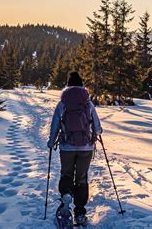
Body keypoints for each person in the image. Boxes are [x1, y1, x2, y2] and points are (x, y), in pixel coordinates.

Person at [46, 71, 103, 225]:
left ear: (68, 85)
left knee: (66, 174)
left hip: (67, 147)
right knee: (82, 177)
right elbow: (97, 127)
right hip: (86, 147)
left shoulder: (63, 103)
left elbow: (55, 125)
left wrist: (51, 142)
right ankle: (79, 212)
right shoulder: (88, 103)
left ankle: (65, 199)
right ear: (82, 85)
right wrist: (97, 133)